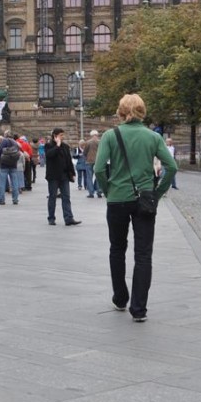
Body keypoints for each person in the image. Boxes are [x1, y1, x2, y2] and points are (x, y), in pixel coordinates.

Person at [94, 93, 176, 323]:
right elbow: (171, 166)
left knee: (117, 249)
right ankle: (139, 308)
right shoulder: (153, 137)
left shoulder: (110, 135)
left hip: (117, 199)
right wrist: (157, 192)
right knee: (143, 254)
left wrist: (108, 190)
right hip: (145, 200)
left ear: (121, 112)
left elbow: (99, 169)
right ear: (142, 111)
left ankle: (120, 297)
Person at [44, 127, 81, 226]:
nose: (63, 137)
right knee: (52, 197)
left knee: (66, 197)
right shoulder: (48, 145)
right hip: (53, 176)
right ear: (55, 136)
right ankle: (51, 218)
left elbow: (68, 161)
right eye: (61, 135)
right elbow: (49, 155)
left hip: (64, 175)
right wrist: (58, 145)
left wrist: (72, 173)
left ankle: (68, 218)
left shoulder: (65, 146)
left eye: (63, 135)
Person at [0, 132, 23, 205]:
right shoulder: (15, 142)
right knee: (14, 182)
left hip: (4, 164)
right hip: (13, 164)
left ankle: (1, 199)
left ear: (5, 135)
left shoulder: (4, 141)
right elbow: (19, 152)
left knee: (2, 183)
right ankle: (15, 199)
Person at [85, 130, 103, 197]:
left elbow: (85, 152)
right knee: (98, 177)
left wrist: (86, 157)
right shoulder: (100, 142)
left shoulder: (88, 142)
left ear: (91, 135)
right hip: (98, 161)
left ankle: (91, 193)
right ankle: (99, 191)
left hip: (89, 161)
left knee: (89, 177)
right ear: (97, 135)